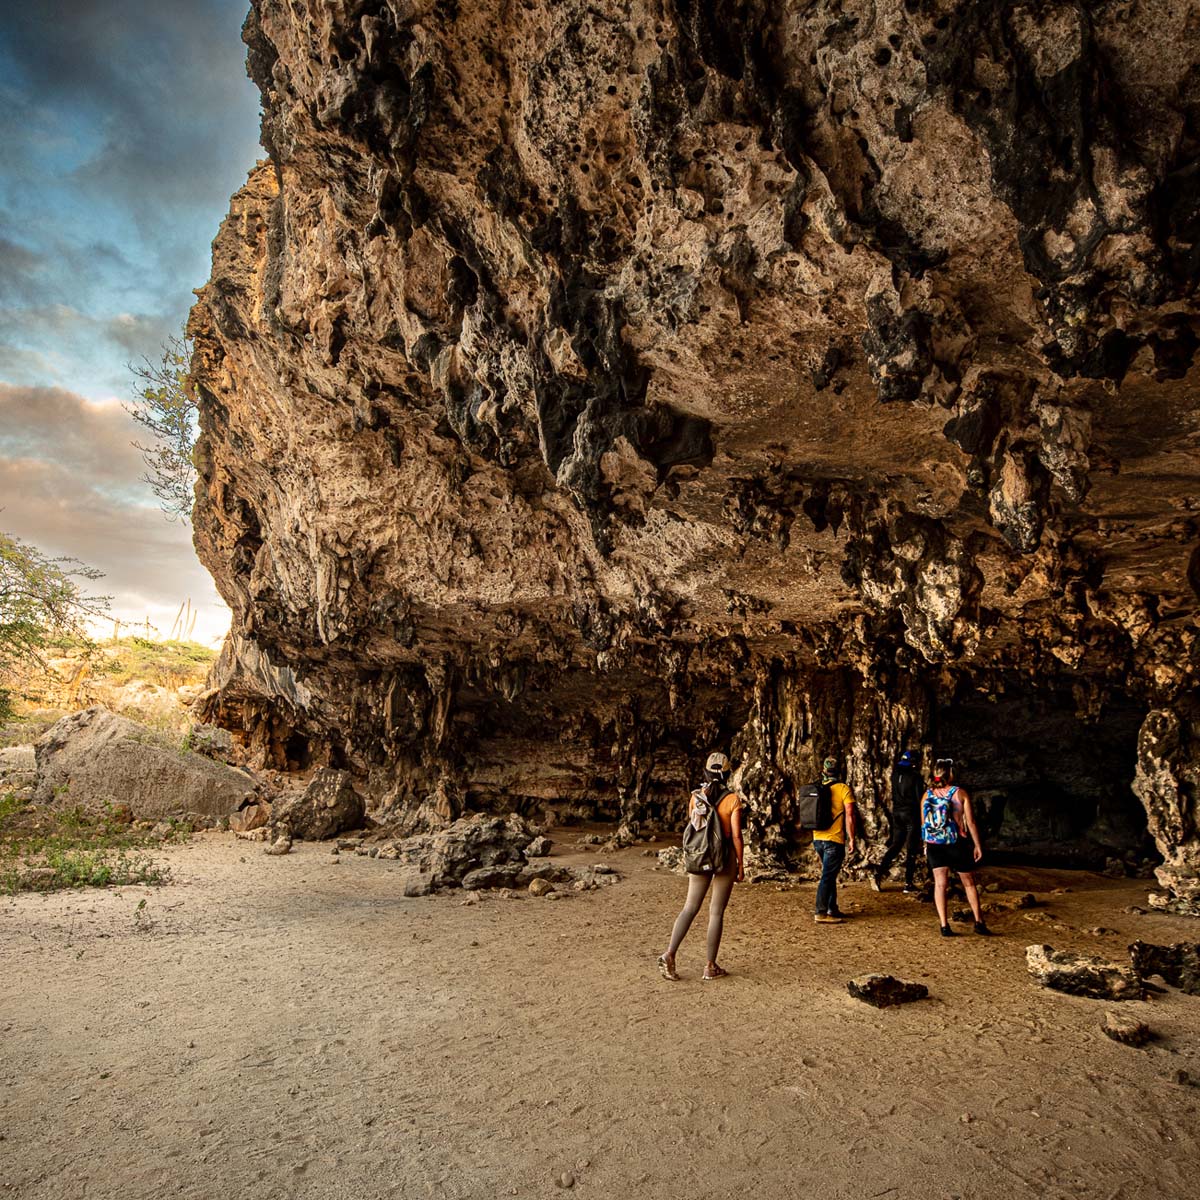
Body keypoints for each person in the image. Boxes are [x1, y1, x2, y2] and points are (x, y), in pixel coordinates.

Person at [658, 751, 745, 981]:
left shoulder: (696, 797)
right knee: (716, 912)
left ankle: (670, 954)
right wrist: (741, 864)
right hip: (724, 857)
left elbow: (695, 827)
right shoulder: (733, 800)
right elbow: (736, 836)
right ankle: (710, 966)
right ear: (727, 774)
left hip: (700, 856)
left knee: (689, 907)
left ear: (706, 771)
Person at [921, 757, 992, 937]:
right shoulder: (959, 793)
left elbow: (924, 823)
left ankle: (944, 925)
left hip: (934, 844)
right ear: (951, 773)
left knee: (940, 884)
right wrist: (977, 845)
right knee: (969, 883)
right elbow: (971, 822)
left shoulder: (927, 795)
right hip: (957, 843)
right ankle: (979, 922)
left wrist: (925, 844)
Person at [872, 749, 925, 892]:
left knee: (895, 846)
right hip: (911, 815)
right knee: (911, 849)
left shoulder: (895, 775)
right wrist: (924, 819)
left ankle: (878, 873)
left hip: (897, 814)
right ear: (914, 763)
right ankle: (908, 883)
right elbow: (920, 799)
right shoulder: (916, 777)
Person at [812, 755, 856, 924]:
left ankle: (832, 908)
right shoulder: (843, 788)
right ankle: (821, 912)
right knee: (827, 876)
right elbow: (850, 815)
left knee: (829, 873)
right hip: (834, 839)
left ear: (824, 770)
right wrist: (852, 838)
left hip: (817, 837)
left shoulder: (818, 787)